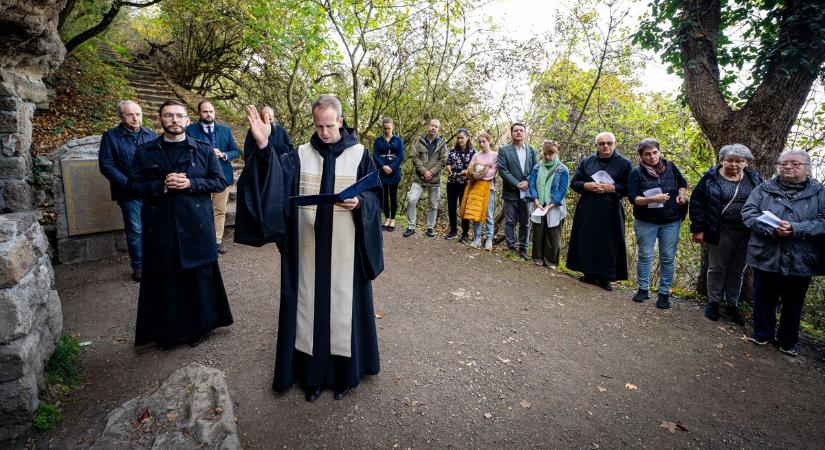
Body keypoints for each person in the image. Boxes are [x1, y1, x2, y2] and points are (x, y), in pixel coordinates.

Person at [241, 95, 383, 402]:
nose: (325, 132)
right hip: (307, 248)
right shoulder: (300, 155)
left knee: (345, 310)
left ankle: (345, 377)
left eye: (330, 126)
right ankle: (312, 378)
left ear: (341, 122)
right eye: (319, 126)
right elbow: (275, 183)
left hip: (347, 251)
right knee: (309, 310)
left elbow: (375, 195)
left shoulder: (360, 154)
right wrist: (264, 147)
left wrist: (360, 203)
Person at [127, 100, 232, 348]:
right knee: (167, 280)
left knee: (197, 278)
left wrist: (191, 184)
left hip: (196, 225)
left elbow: (219, 182)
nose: (174, 120)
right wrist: (161, 185)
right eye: (168, 116)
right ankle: (169, 332)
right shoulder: (145, 152)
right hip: (160, 227)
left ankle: (200, 328)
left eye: (179, 116)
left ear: (187, 120)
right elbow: (132, 186)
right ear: (160, 120)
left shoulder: (204, 150)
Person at [741, 150, 824, 357]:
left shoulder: (819, 192)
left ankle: (787, 340)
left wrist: (797, 228)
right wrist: (771, 228)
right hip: (767, 253)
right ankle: (762, 333)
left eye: (795, 164)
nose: (788, 167)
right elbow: (748, 212)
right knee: (763, 297)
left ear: (807, 168)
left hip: (801, 257)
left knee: (794, 302)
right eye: (783, 163)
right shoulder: (764, 189)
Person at [690, 144, 762, 325]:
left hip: (746, 231)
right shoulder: (710, 179)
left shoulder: (754, 179)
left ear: (746, 163)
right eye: (729, 160)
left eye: (739, 161)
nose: (734, 164)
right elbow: (697, 203)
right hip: (720, 229)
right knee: (717, 268)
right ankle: (713, 302)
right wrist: (698, 229)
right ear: (722, 160)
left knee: (738, 270)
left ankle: (732, 304)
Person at [98, 100, 158, 282]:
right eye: (130, 114)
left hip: (151, 191)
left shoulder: (151, 135)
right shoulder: (111, 136)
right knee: (136, 229)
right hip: (129, 192)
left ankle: (156, 262)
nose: (135, 118)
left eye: (138, 114)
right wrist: (129, 184)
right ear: (121, 116)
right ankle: (139, 266)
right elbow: (106, 165)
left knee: (155, 228)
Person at [627, 139, 689, 309]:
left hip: (671, 220)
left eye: (655, 152)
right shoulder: (636, 172)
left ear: (659, 152)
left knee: (667, 257)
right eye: (647, 153)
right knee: (645, 255)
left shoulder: (670, 166)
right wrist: (652, 199)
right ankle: (643, 289)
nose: (652, 156)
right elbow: (634, 199)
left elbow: (682, 184)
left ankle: (664, 293)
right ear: (641, 156)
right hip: (646, 221)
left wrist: (681, 195)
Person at [566, 131, 632, 291]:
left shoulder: (624, 163)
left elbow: (631, 187)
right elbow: (574, 182)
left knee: (608, 243)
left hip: (611, 209)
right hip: (588, 207)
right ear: (597, 145)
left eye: (609, 143)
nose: (606, 146)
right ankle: (588, 274)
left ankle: (605, 278)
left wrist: (613, 188)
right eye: (602, 144)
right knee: (587, 239)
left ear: (614, 144)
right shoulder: (587, 161)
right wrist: (586, 185)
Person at [186, 100, 240, 254]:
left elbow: (235, 151)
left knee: (219, 210)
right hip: (200, 178)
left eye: (211, 111)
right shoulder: (189, 130)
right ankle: (200, 239)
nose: (209, 114)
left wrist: (223, 154)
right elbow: (186, 151)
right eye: (205, 111)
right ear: (199, 113)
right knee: (200, 210)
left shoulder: (225, 130)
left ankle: (216, 241)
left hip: (222, 177)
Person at [497, 122, 538, 260]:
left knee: (525, 222)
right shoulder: (504, 150)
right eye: (515, 130)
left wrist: (527, 181)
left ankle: (523, 249)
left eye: (521, 130)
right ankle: (511, 248)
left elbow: (536, 169)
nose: (518, 132)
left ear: (525, 133)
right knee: (510, 221)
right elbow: (502, 170)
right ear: (512, 133)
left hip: (527, 192)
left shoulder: (533, 151)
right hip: (511, 191)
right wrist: (517, 183)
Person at [527, 140, 569, 268]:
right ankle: (537, 257)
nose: (547, 157)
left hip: (554, 206)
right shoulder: (537, 167)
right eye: (545, 154)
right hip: (538, 204)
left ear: (556, 153)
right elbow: (532, 184)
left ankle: (550, 261)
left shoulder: (562, 169)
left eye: (550, 154)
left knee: (553, 232)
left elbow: (563, 189)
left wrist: (551, 205)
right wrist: (536, 200)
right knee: (538, 231)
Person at [404, 119, 447, 238]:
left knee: (433, 205)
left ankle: (430, 228)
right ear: (428, 126)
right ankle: (411, 226)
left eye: (436, 126)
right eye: (432, 125)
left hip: (434, 180)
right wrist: (424, 171)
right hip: (419, 177)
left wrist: (431, 172)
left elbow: (443, 160)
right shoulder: (419, 140)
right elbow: (414, 157)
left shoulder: (442, 143)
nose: (433, 128)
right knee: (411, 200)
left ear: (438, 129)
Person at [461, 131, 498, 250]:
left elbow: (492, 174)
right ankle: (477, 238)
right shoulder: (476, 155)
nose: (482, 144)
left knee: (489, 215)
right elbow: (470, 171)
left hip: (488, 188)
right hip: (475, 187)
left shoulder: (495, 155)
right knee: (475, 214)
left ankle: (488, 240)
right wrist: (483, 169)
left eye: (484, 141)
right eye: (480, 142)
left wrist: (479, 170)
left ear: (489, 142)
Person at [372, 117, 404, 231]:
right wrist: (383, 166)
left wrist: (391, 167)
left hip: (394, 172)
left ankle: (393, 219)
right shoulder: (378, 141)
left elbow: (400, 156)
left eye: (389, 128)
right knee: (384, 196)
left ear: (393, 127)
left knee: (393, 196)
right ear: (382, 128)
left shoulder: (398, 140)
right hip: (382, 172)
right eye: (385, 128)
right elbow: (375, 156)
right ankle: (387, 218)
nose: (386, 130)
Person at [444, 128, 475, 242]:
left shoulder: (473, 152)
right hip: (451, 183)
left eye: (462, 138)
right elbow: (448, 163)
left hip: (465, 184)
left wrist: (463, 170)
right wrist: (449, 166)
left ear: (467, 138)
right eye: (458, 138)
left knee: (463, 209)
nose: (460, 140)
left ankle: (465, 233)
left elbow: (472, 169)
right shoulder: (453, 151)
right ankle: (453, 231)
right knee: (451, 207)